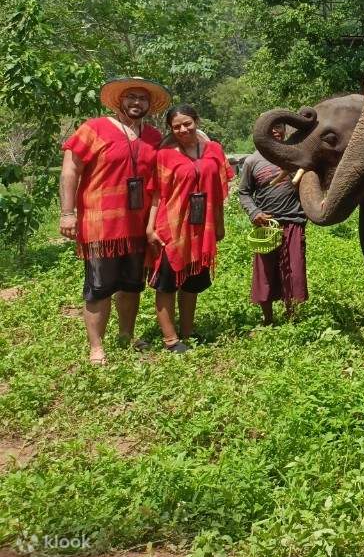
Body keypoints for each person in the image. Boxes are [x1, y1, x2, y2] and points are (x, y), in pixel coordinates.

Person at [59, 76, 169, 364]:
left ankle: (126, 335)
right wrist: (67, 213)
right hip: (101, 225)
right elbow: (70, 169)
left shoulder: (154, 137)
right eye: (131, 96)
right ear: (120, 100)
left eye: (142, 98)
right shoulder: (94, 128)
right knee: (99, 287)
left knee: (132, 285)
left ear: (149, 105)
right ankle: (96, 347)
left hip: (138, 227)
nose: (136, 102)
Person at [147, 104, 233, 353]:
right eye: (176, 127)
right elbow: (156, 194)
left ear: (197, 121)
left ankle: (187, 332)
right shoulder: (164, 155)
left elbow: (218, 193)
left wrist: (219, 225)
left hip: (200, 228)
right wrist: (150, 228)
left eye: (187, 124)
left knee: (191, 281)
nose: (183, 130)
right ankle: (171, 340)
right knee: (167, 283)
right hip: (170, 226)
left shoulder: (214, 150)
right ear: (170, 129)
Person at [237, 122, 308, 325]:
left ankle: (292, 317)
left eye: (278, 126)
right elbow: (244, 192)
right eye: (270, 127)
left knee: (294, 270)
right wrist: (255, 212)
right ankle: (268, 319)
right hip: (266, 226)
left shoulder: (295, 156)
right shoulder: (253, 161)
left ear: (285, 130)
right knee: (265, 273)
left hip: (294, 221)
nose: (275, 130)